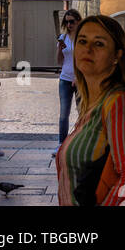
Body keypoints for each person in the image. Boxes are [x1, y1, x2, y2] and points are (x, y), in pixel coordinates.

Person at [56, 14, 125, 206]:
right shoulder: (93, 105)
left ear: (117, 56)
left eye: (99, 44)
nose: (87, 49)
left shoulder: (118, 104)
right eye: (82, 41)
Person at [56, 9, 81, 149]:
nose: (69, 24)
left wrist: (78, 76)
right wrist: (59, 48)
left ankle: (80, 141)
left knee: (82, 113)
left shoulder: (82, 38)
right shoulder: (63, 38)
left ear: (78, 21)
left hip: (80, 79)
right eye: (67, 22)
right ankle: (61, 144)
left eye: (72, 21)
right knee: (64, 114)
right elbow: (59, 62)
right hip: (65, 79)